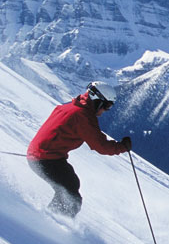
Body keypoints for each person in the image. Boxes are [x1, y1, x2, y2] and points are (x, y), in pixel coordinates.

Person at [26, 81, 132, 218]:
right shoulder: (83, 116)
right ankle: (50, 224)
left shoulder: (70, 106)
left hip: (41, 155)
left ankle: (49, 218)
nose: (105, 111)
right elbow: (101, 146)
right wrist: (122, 147)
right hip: (47, 159)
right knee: (71, 199)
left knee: (71, 185)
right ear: (97, 100)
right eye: (107, 106)